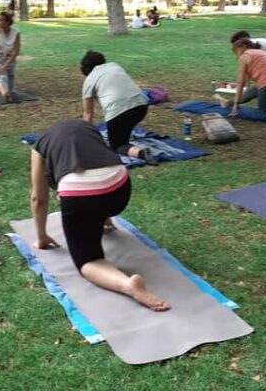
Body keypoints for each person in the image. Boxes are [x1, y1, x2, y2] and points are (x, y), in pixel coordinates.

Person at [29, 119, 170, 311]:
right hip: (119, 188)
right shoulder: (87, 127)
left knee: (88, 261)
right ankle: (102, 215)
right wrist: (104, 213)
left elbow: (39, 199)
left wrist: (42, 237)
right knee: (96, 199)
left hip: (81, 196)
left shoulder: (39, 146)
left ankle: (128, 286)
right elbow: (100, 162)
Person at [80, 50, 157, 164]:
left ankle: (142, 153)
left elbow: (88, 113)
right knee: (125, 125)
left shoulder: (89, 80)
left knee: (117, 145)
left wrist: (84, 136)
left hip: (118, 114)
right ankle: (124, 135)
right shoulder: (114, 66)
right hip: (141, 106)